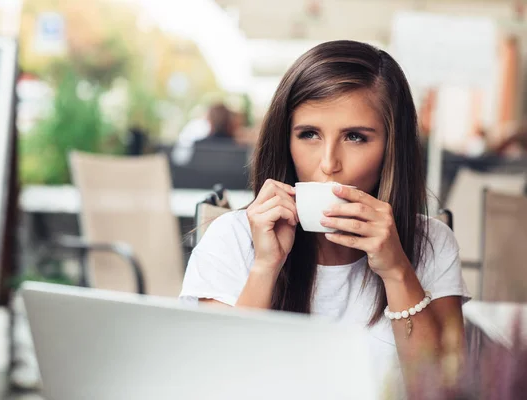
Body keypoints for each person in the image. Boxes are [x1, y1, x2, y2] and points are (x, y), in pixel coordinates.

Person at [179, 40, 470, 395]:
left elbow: (441, 390)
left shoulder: (431, 242)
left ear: (392, 148)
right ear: (285, 139)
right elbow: (216, 386)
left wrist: (396, 271)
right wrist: (265, 266)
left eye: (355, 137)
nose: (329, 163)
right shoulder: (232, 237)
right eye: (309, 134)